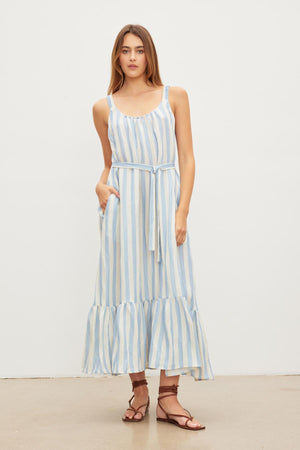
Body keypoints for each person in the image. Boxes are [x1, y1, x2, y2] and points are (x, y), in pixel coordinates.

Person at [81, 24, 214, 431]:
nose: (133, 57)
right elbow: (109, 163)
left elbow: (187, 158)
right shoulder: (103, 108)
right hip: (123, 212)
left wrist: (182, 212)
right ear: (117, 57)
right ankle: (139, 388)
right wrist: (100, 187)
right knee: (129, 293)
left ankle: (168, 398)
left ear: (149, 55)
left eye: (140, 50)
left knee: (172, 291)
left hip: (163, 205)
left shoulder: (174, 97)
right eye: (126, 50)